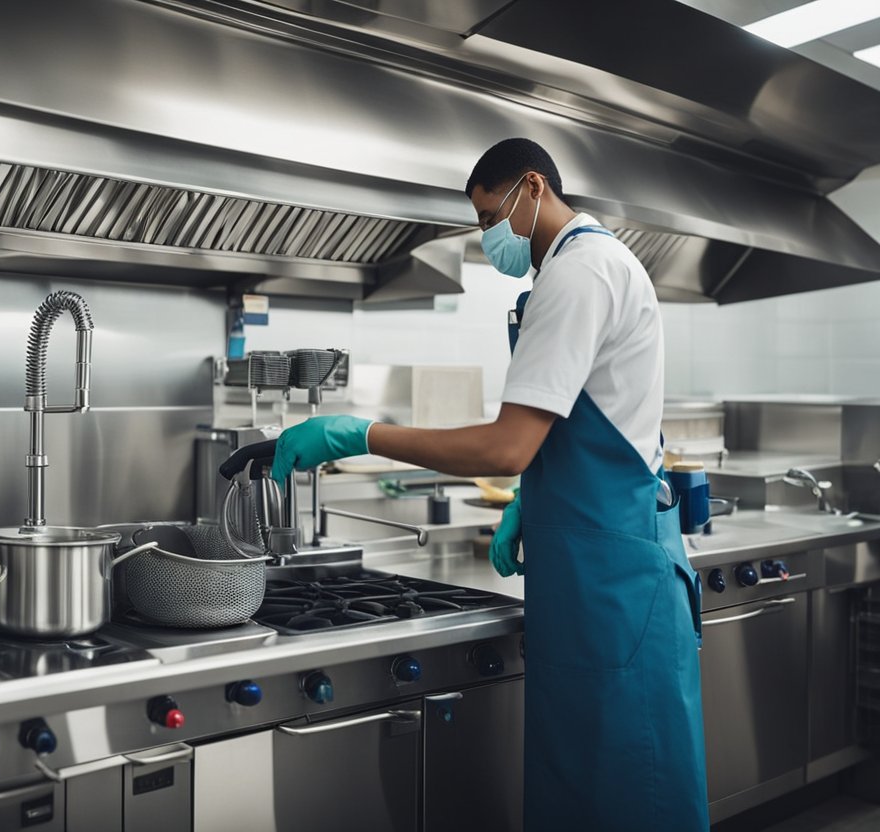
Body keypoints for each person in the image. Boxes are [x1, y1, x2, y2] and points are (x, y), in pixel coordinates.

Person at [270, 138, 709, 831]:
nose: (486, 238)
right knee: (582, 796)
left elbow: (507, 446)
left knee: (627, 796)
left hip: (614, 588)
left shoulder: (580, 274)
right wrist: (536, 498)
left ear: (533, 188)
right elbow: (599, 426)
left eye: (487, 217)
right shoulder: (579, 267)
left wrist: (358, 434)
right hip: (594, 576)